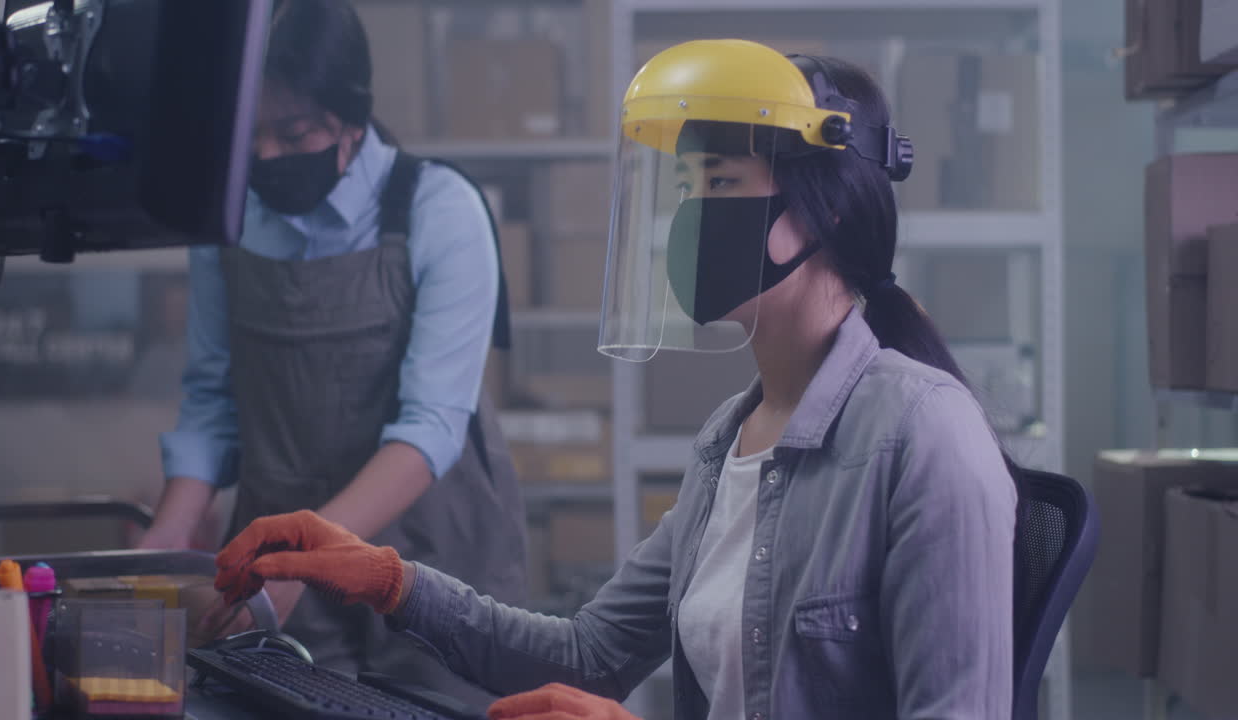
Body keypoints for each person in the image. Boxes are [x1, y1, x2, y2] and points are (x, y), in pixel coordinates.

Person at [213, 39, 1018, 720]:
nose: (692, 217)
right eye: (686, 189)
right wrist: (389, 581)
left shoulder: (924, 437)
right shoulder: (729, 441)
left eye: (722, 184)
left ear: (828, 209)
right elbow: (589, 654)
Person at [139, 0, 527, 684]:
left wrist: (313, 555)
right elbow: (212, 399)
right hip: (275, 557)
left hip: (429, 561)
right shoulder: (228, 219)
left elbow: (431, 426)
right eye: (249, 136)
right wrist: (165, 540)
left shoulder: (440, 211)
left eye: (293, 134)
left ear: (351, 115)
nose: (266, 157)